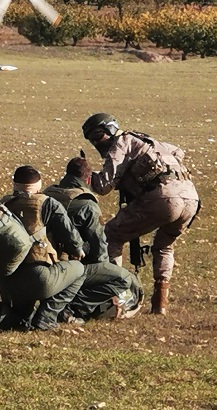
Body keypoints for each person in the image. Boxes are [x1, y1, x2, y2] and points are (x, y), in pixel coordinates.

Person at [82, 113, 201, 315]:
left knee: (111, 235)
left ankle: (115, 294)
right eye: (92, 139)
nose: (96, 143)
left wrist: (85, 174)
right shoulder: (149, 141)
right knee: (164, 245)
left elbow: (103, 186)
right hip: (191, 198)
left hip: (162, 198)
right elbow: (178, 152)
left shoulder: (121, 143)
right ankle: (160, 302)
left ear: (111, 130)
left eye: (98, 135)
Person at [44, 156, 142, 321]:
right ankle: (73, 307)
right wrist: (106, 272)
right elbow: (99, 248)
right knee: (126, 281)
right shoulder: (86, 205)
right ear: (88, 179)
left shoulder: (47, 195)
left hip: (43, 264)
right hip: (70, 268)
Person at [0, 165, 86, 331]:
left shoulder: (2, 205)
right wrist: (78, 250)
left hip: (8, 282)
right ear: (39, 185)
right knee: (80, 270)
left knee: (22, 313)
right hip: (37, 278)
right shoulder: (48, 203)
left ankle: (21, 316)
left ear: (14, 184)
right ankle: (47, 316)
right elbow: (71, 238)